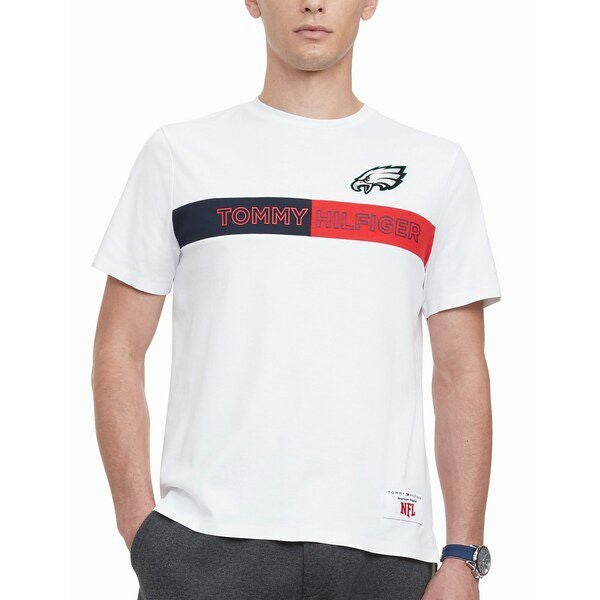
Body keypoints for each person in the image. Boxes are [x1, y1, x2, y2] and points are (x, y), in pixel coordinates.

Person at [92, 1, 500, 598]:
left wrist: (463, 555)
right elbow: (118, 349)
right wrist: (142, 532)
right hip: (204, 548)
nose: (314, 3)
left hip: (383, 552)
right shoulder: (180, 155)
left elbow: (461, 371)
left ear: (370, 2)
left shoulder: (436, 168)